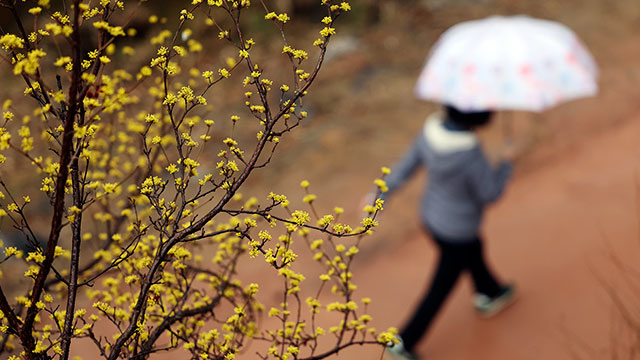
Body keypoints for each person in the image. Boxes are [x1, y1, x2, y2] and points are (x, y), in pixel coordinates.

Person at [378, 105, 517, 360]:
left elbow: (404, 168)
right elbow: (490, 193)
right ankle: (403, 342)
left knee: (474, 250)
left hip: (431, 218)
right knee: (441, 286)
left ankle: (490, 291)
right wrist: (506, 164)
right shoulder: (470, 154)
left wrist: (379, 195)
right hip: (458, 230)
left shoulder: (429, 134)